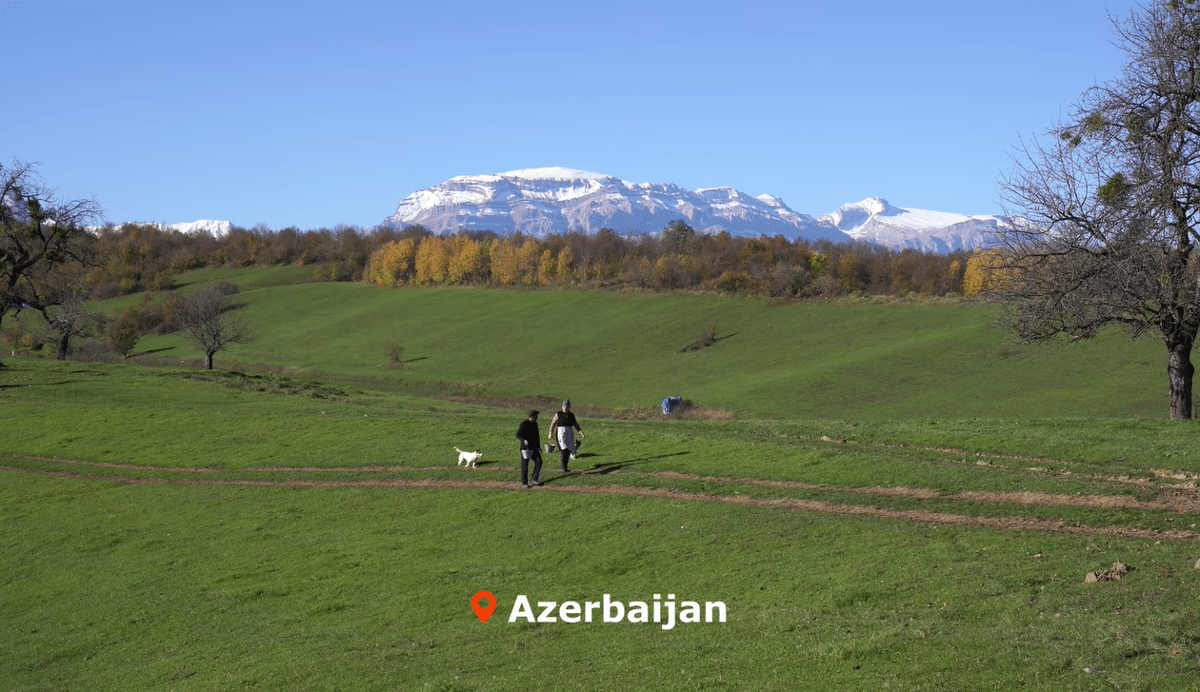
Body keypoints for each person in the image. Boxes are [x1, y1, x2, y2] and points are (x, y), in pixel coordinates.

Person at [548, 400, 584, 473]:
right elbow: (553, 423)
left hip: (569, 432)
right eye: (564, 407)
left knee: (568, 450)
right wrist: (550, 433)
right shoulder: (558, 414)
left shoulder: (571, 415)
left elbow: (575, 424)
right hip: (561, 432)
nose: (565, 408)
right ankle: (563, 467)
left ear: (569, 407)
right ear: (562, 407)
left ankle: (565, 467)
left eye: (566, 407)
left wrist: (580, 431)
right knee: (564, 449)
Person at [515, 409, 542, 489]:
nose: (537, 418)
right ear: (532, 417)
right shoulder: (524, 424)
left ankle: (534, 478)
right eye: (536, 416)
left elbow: (537, 437)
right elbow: (518, 435)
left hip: (534, 447)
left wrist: (538, 447)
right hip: (525, 448)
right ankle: (524, 483)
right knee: (525, 466)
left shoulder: (535, 424)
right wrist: (524, 440)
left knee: (539, 462)